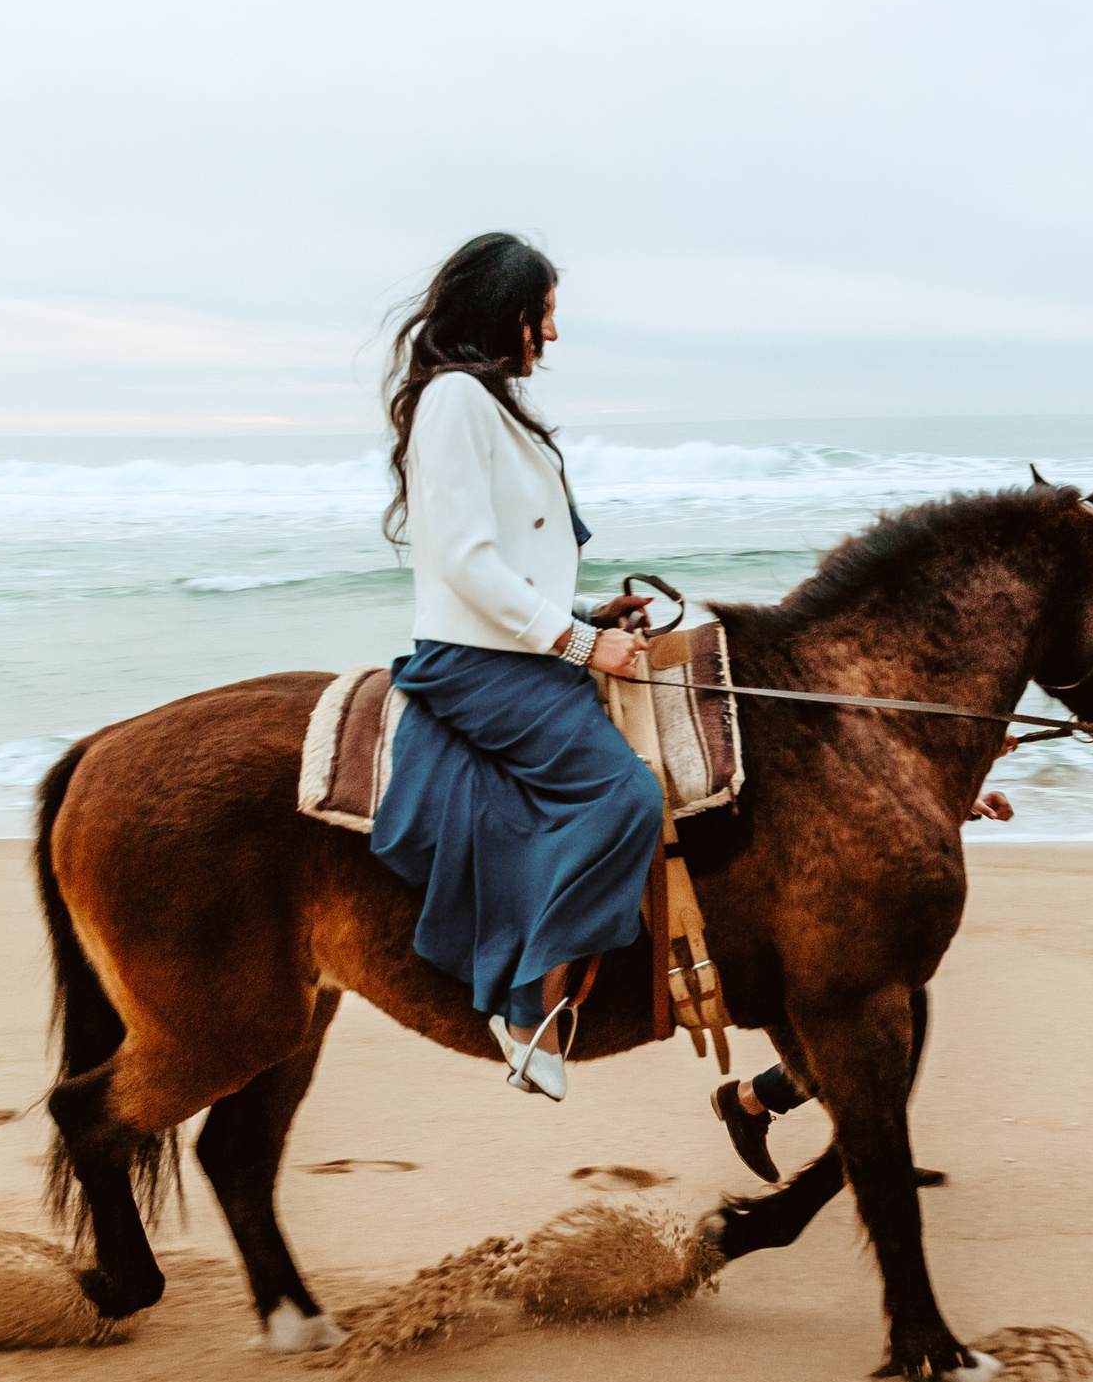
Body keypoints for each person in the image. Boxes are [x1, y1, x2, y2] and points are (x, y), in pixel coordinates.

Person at [368, 233, 659, 1104]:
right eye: (546, 316)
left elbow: (511, 565)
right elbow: (463, 563)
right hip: (474, 663)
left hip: (510, 642)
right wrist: (580, 647)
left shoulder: (482, 402)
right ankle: (526, 1005)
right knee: (627, 797)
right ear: (510, 314)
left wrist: (583, 614)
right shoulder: (456, 399)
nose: (552, 336)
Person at [709, 784, 1013, 1181]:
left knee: (897, 1019)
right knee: (881, 1028)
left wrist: (959, 798)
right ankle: (760, 1103)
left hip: (842, 881)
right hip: (812, 887)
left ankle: (760, 1102)